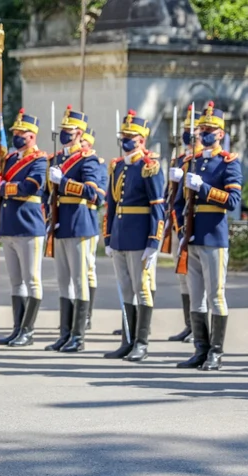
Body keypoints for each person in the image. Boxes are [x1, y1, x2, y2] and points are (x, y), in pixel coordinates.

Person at [172, 101, 242, 370]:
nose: (204, 133)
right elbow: (178, 203)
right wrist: (181, 231)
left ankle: (216, 352)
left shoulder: (228, 163)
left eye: (210, 129)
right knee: (196, 295)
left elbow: (233, 200)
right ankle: (200, 349)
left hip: (214, 235)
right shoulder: (192, 161)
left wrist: (204, 188)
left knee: (216, 295)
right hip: (192, 236)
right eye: (202, 129)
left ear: (221, 134)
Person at [103, 110, 164, 362]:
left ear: (141, 139)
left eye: (130, 136)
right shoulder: (117, 166)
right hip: (119, 236)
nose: (125, 140)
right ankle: (127, 340)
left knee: (142, 289)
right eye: (123, 136)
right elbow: (111, 204)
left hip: (140, 237)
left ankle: (141, 342)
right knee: (125, 290)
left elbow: (157, 206)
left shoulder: (149, 167)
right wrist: (108, 237)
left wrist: (154, 241)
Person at [45, 106, 100, 353]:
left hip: (79, 223)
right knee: (64, 281)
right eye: (63, 130)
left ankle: (78, 336)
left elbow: (93, 193)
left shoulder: (88, 159)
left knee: (79, 281)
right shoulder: (57, 160)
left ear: (79, 133)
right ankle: (65, 333)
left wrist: (64, 182)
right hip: (61, 224)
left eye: (69, 130)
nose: (65, 134)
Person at [0, 109, 46, 347]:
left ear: (31, 135)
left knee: (32, 279)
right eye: (14, 132)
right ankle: (17, 328)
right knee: (15, 281)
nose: (16, 136)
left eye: (20, 132)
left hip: (29, 225)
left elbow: (31, 186)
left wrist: (5, 188)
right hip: (10, 226)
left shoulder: (40, 159)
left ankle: (28, 330)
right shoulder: (11, 159)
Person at [167, 105, 202, 344]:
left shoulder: (200, 160)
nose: (187, 134)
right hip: (177, 225)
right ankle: (189, 325)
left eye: (192, 129)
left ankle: (200, 327)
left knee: (198, 278)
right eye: (184, 129)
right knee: (182, 275)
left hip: (196, 225)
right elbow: (170, 196)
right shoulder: (179, 159)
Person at [80, 128, 106, 330]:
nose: (80, 147)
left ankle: (86, 314)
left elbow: (99, 197)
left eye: (83, 144)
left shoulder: (97, 164)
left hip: (87, 220)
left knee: (88, 269)